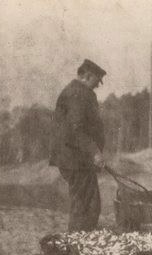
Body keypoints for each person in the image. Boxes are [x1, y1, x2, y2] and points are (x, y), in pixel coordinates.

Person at [50, 59, 107, 231]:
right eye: (97, 81)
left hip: (76, 159)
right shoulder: (79, 93)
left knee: (85, 203)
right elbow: (76, 130)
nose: (98, 85)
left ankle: (79, 242)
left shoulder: (76, 91)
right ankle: (78, 245)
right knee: (86, 206)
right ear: (87, 76)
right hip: (75, 159)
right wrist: (95, 152)